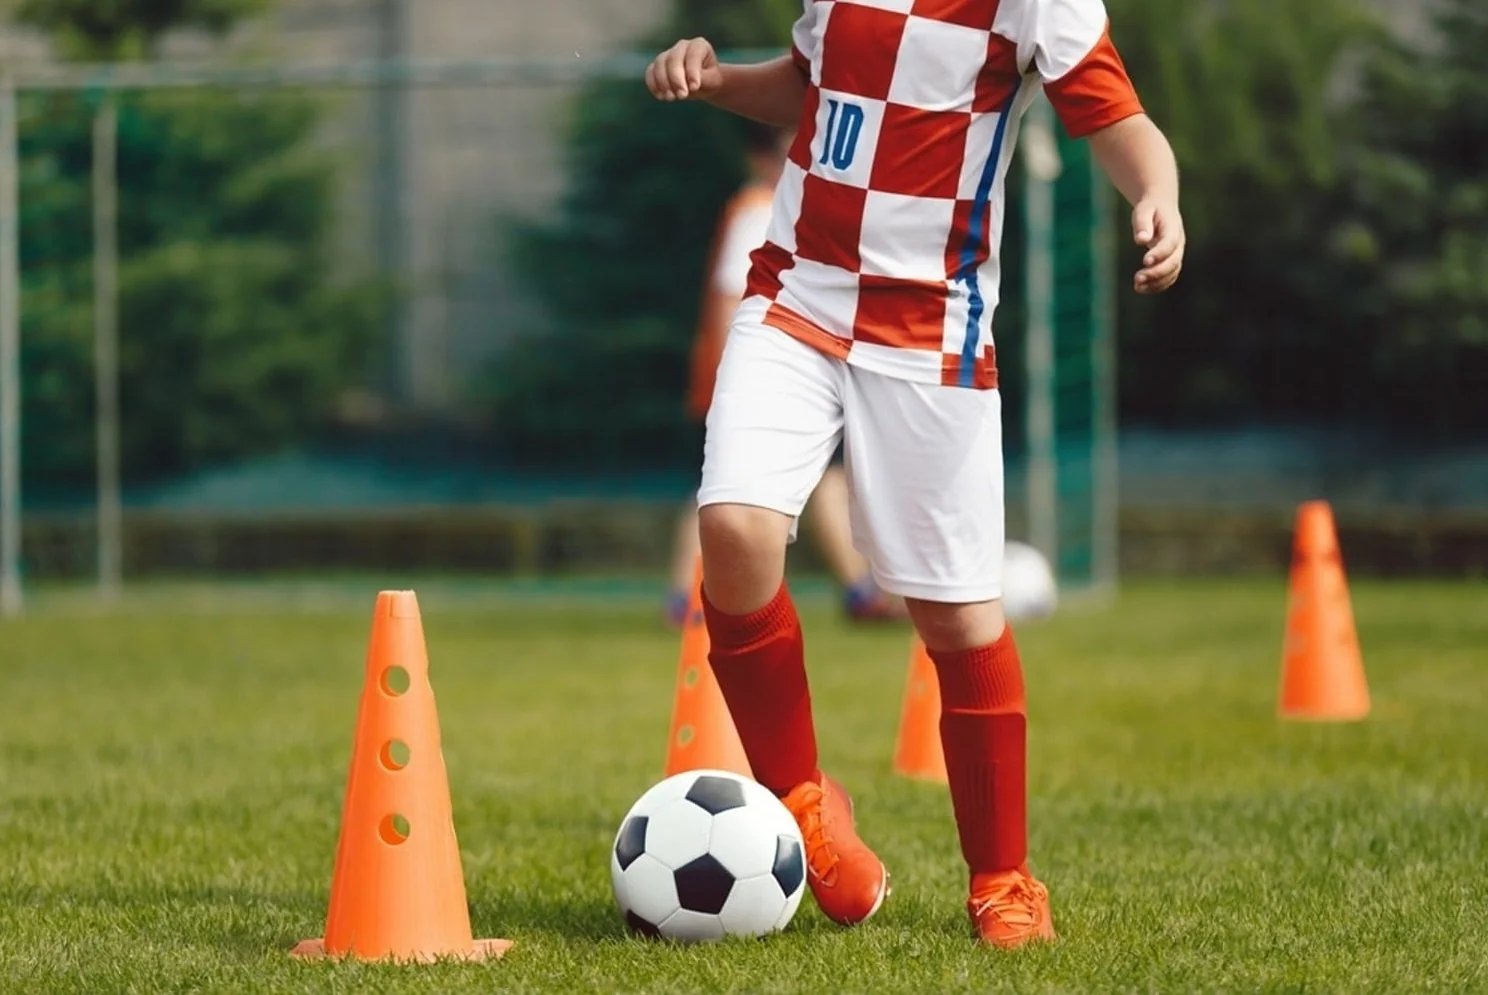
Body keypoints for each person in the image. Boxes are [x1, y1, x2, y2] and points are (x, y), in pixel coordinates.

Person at [645, 0, 1184, 948]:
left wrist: (1158, 194)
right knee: (734, 527)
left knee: (958, 617)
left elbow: (1118, 120)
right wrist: (718, 78)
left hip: (931, 333)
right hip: (796, 291)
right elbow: (815, 87)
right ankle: (804, 801)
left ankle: (1004, 878)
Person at [667, 122, 907, 628]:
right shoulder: (759, 210)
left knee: (820, 478)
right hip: (748, 375)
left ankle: (859, 589)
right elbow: (734, 293)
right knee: (722, 489)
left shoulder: (778, 209)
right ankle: (690, 596)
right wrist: (743, 372)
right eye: (789, 154)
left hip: (770, 372)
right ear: (761, 160)